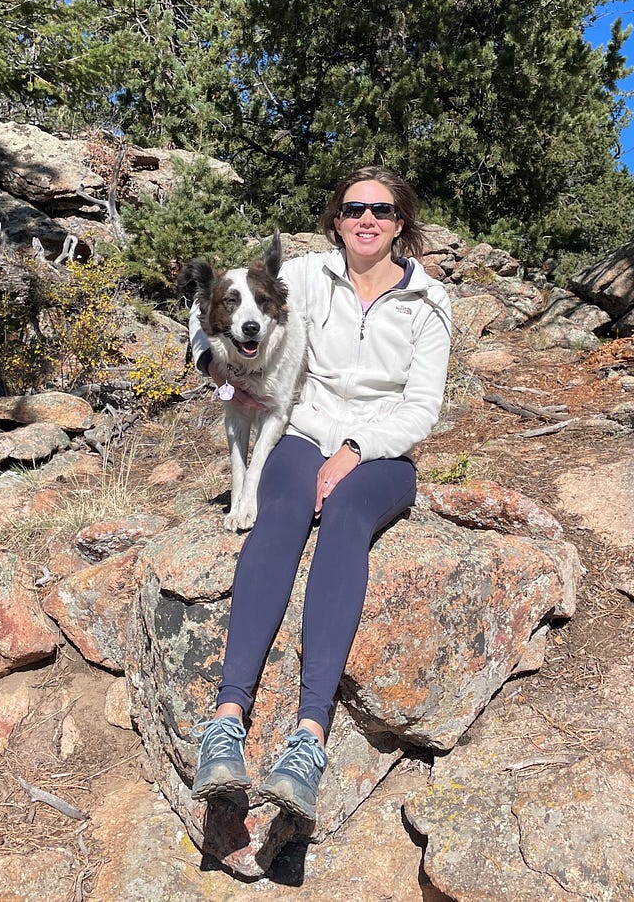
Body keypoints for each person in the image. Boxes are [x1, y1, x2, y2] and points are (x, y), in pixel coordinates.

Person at [186, 166, 452, 822]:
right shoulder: (304, 276)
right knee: (280, 510)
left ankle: (307, 741)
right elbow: (210, 312)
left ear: (401, 223)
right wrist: (218, 375)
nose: (368, 220)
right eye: (355, 208)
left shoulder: (428, 300)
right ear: (335, 218)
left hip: (382, 449)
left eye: (383, 211)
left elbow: (422, 407)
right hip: (301, 429)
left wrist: (356, 451)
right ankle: (225, 726)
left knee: (346, 519)